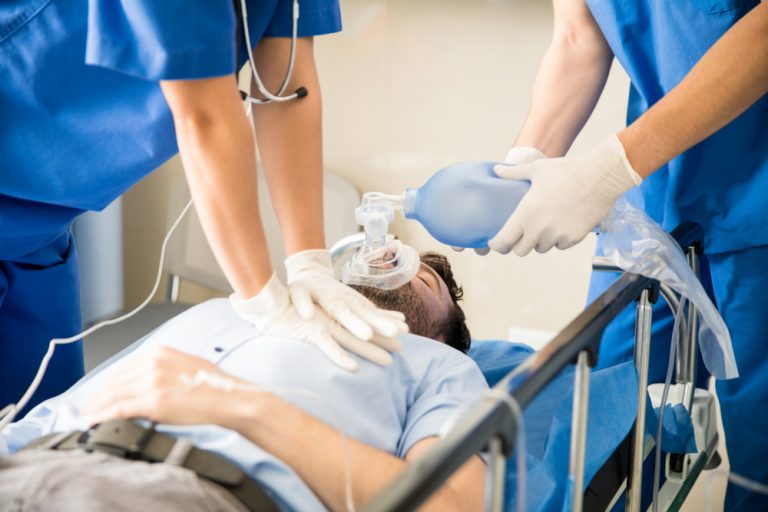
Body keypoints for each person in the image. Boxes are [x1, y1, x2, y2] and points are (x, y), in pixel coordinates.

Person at [0, 0, 406, 416]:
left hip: (39, 229)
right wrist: (262, 299)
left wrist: (310, 262)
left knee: (45, 425)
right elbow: (205, 117)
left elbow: (288, 87)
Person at [480, 1, 767, 508]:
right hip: (656, 195)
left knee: (758, 456)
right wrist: (521, 169)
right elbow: (577, 37)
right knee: (604, 422)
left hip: (755, 186)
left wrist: (613, 167)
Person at [0, 253, 485, 511]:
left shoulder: (440, 365)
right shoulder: (227, 308)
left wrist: (239, 405)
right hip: (32, 461)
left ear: (444, 332)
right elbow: (54, 412)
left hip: (185, 492)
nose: (387, 260)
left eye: (425, 280)